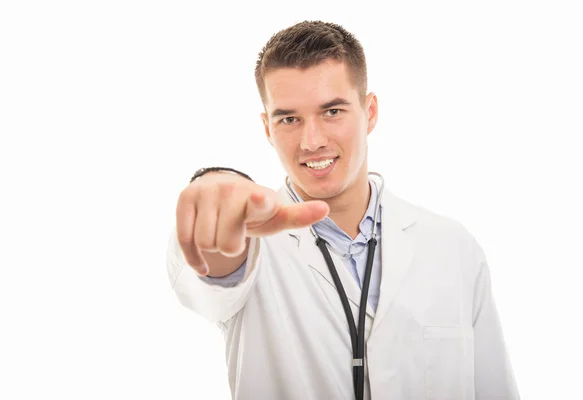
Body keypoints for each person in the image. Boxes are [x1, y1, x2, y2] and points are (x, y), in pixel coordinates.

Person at [166, 20, 520, 400]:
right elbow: (211, 269)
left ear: (369, 113)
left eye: (332, 111)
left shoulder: (454, 249)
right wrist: (213, 186)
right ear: (268, 129)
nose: (312, 141)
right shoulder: (250, 243)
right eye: (289, 119)